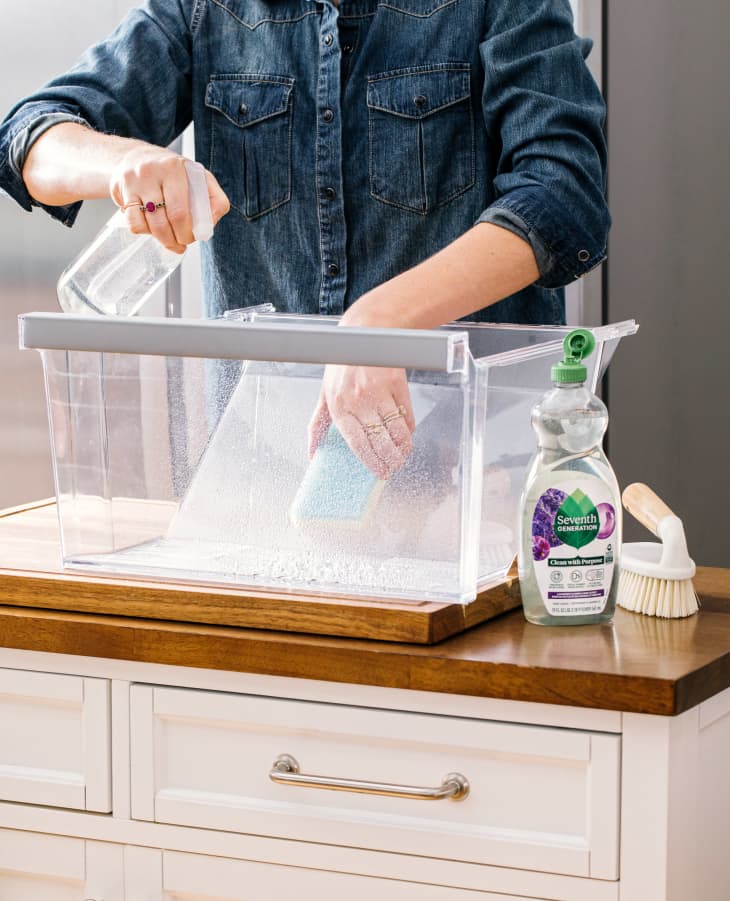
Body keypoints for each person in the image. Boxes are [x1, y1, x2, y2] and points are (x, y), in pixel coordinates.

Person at [0, 0, 609, 478]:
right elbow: (29, 138)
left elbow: (563, 195)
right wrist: (123, 165)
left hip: (473, 476)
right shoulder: (205, 10)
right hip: (265, 482)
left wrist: (381, 321)